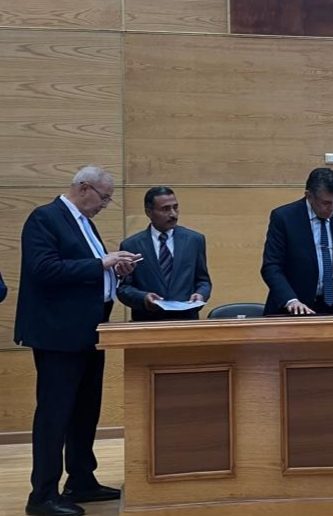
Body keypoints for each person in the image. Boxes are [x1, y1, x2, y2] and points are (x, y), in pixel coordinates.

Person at [14, 165, 140, 516]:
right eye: (104, 197)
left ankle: (81, 480)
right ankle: (42, 495)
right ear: (84, 188)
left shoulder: (83, 222)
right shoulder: (45, 218)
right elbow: (44, 269)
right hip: (58, 335)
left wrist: (115, 270)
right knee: (55, 415)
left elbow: (86, 269)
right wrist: (102, 262)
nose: (105, 204)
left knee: (85, 410)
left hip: (89, 331)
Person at [261, 168, 333, 315]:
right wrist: (291, 300)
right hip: (292, 308)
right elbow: (271, 267)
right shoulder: (284, 217)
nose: (332, 208)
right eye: (326, 203)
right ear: (309, 196)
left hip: (332, 307)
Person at [117, 186, 212, 321]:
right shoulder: (131, 245)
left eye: (175, 207)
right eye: (165, 209)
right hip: (147, 322)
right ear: (149, 212)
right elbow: (124, 288)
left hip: (185, 321)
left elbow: (203, 281)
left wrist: (200, 294)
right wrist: (144, 298)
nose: (173, 214)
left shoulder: (194, 240)